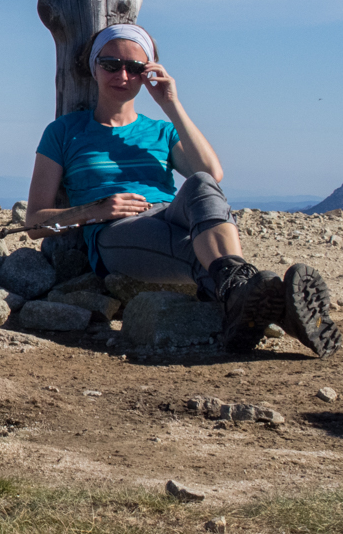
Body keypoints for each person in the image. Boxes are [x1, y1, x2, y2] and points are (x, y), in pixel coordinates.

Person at [25, 23, 338, 358]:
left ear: (149, 73)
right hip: (112, 232)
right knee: (203, 256)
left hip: (170, 214)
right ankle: (273, 303)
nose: (123, 76)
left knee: (201, 184)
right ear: (94, 66)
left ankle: (248, 302)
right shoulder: (63, 132)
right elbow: (34, 224)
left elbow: (212, 173)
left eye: (136, 68)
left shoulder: (161, 131)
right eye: (111, 65)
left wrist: (171, 105)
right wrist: (94, 211)